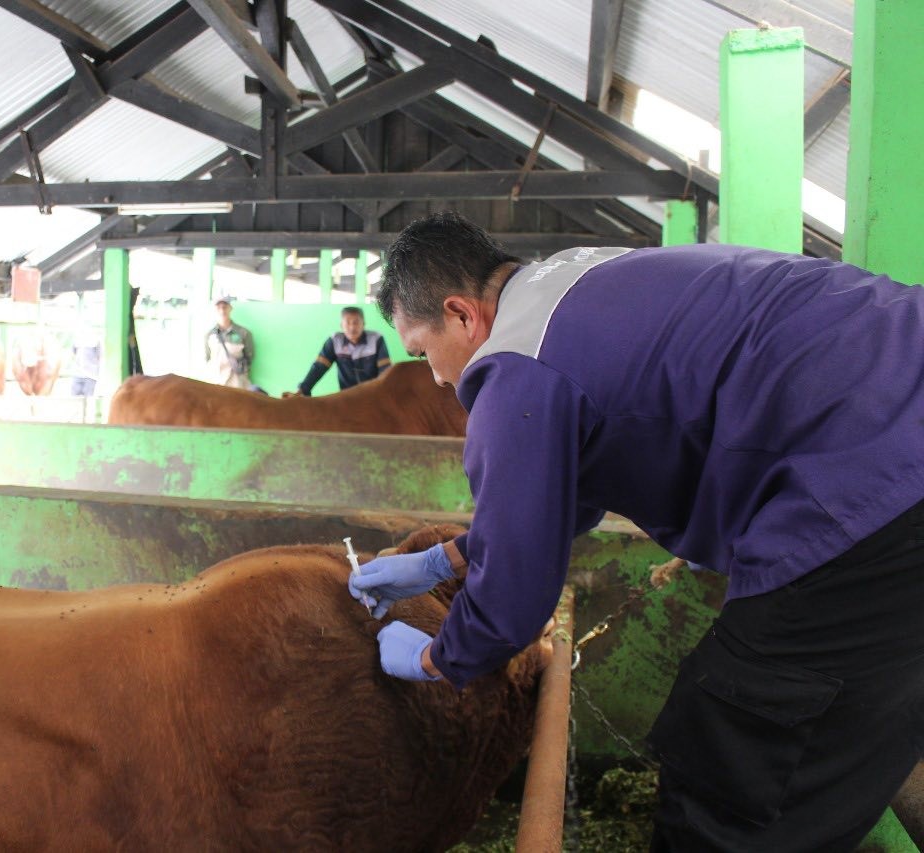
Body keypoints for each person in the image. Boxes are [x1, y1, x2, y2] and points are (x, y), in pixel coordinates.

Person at [348, 211, 924, 851]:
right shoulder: (576, 277)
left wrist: (438, 658)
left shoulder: (514, 368)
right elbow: (563, 500)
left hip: (875, 477)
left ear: (460, 315)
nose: (435, 377)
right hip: (900, 380)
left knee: (739, 761)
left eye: (422, 352)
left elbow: (514, 596)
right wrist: (446, 560)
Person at [290, 306, 391, 396]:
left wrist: (384, 393)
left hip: (373, 396)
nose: (352, 327)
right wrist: (302, 390)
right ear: (341, 325)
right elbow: (318, 368)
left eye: (356, 322)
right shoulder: (334, 341)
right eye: (347, 323)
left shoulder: (376, 339)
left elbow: (385, 371)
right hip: (346, 397)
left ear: (363, 324)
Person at [204, 298, 254, 390]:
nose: (222, 311)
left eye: (225, 307)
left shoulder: (243, 333)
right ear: (214, 310)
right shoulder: (209, 334)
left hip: (237, 383)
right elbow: (207, 358)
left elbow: (249, 358)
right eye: (219, 308)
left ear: (230, 308)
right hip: (216, 381)